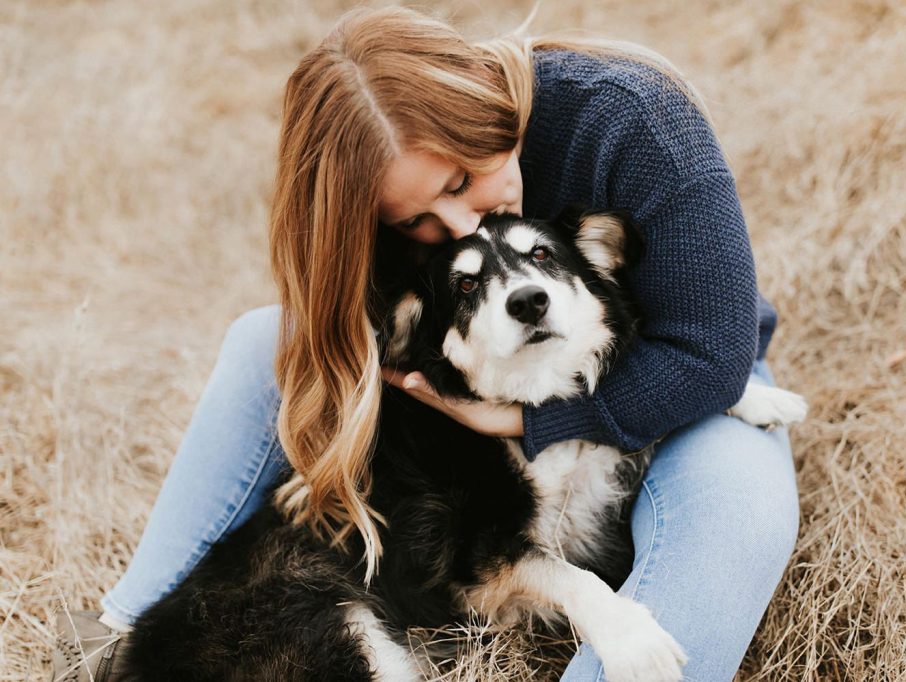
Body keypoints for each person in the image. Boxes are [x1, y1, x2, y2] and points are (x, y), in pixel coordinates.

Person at [51, 6, 799, 681]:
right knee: (265, 339)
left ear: (483, 103)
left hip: (689, 384)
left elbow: (714, 353)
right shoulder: (409, 262)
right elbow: (356, 332)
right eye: (416, 221)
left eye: (467, 175)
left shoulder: (629, 118)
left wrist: (523, 423)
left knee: (738, 523)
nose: (465, 228)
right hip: (505, 398)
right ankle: (102, 641)